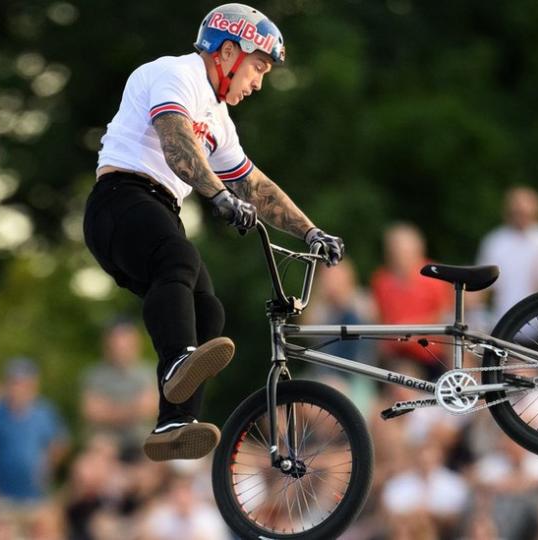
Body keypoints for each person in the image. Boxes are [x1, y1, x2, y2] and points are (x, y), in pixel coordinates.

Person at [83, 3, 344, 461]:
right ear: (228, 53)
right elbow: (174, 137)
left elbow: (256, 185)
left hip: (156, 210)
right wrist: (218, 195)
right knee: (178, 260)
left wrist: (310, 232)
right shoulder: (174, 73)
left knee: (209, 313)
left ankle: (174, 421)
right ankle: (178, 362)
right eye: (258, 67)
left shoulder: (220, 122)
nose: (259, 82)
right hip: (120, 201)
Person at [0, 358, 69, 538]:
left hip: (36, 497)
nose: (19, 388)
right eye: (14, 382)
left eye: (24, 383)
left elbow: (60, 444)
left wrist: (47, 464)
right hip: (3, 498)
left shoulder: (44, 412)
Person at [371, 223, 452, 378]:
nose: (398, 257)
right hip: (396, 356)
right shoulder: (381, 280)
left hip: (430, 355)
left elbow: (445, 316)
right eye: (394, 251)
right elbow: (379, 317)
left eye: (403, 252)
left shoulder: (435, 276)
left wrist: (410, 329)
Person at [476, 186, 538, 323]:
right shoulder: (495, 241)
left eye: (525, 213)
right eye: (517, 212)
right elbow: (483, 287)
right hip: (503, 319)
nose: (521, 217)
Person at [81, 319, 158, 460]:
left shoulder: (149, 373)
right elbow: (93, 412)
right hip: (105, 446)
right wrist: (134, 409)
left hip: (143, 444)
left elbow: (149, 410)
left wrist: (110, 411)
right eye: (117, 341)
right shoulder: (95, 376)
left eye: (126, 341)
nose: (121, 346)